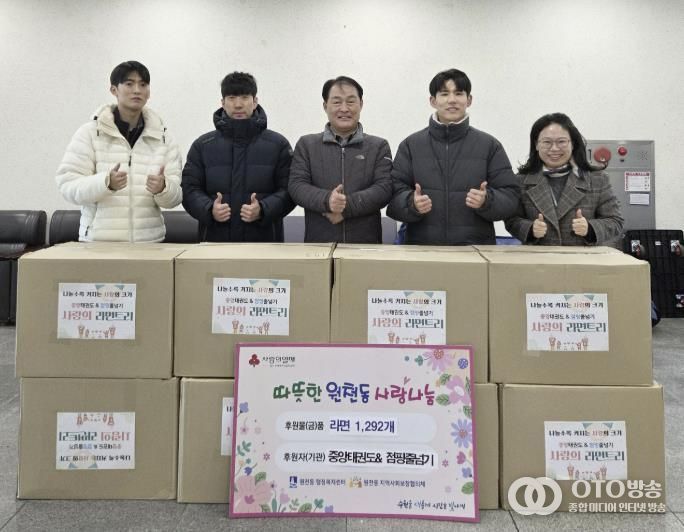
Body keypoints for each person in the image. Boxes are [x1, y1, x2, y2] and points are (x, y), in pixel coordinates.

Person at [387, 68, 519, 245]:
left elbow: (511, 196)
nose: (452, 100)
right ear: (433, 101)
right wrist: (411, 204)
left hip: (475, 249)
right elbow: (392, 196)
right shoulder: (411, 145)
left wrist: (487, 201)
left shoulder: (489, 146)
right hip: (422, 249)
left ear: (469, 100)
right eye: (444, 94)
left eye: (458, 93)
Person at [56, 61, 182, 242]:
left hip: (149, 243)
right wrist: (105, 183)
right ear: (114, 90)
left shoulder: (163, 138)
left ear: (149, 92)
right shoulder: (90, 133)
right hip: (99, 243)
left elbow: (175, 198)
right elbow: (68, 186)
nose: (137, 90)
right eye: (129, 84)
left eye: (143, 85)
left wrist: (163, 188)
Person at [182, 72, 294, 242]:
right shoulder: (202, 145)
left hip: (265, 245)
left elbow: (290, 190)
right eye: (232, 98)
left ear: (255, 101)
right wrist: (209, 209)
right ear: (223, 103)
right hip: (214, 244)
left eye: (244, 97)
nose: (238, 105)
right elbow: (189, 189)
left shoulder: (278, 145)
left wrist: (263, 209)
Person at [288, 76, 392, 243]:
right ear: (325, 106)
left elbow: (384, 189)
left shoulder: (378, 146)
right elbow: (297, 186)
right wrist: (327, 200)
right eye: (337, 102)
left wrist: (346, 206)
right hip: (319, 244)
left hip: (365, 245)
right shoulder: (307, 145)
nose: (344, 108)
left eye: (351, 102)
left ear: (361, 104)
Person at [505, 113, 624, 246]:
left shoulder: (597, 179)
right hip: (538, 258)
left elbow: (615, 221)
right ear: (536, 145)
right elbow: (511, 220)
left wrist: (590, 228)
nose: (554, 148)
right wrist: (530, 229)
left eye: (561, 141)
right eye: (547, 142)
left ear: (573, 144)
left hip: (583, 258)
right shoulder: (521, 181)